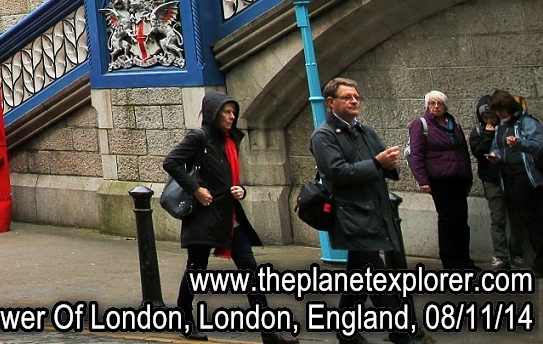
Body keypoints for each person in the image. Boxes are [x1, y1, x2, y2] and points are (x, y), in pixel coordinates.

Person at [166, 92, 295, 343]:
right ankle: (184, 317)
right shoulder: (199, 137)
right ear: (214, 113)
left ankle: (268, 332)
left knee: (251, 271)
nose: (231, 116)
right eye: (226, 112)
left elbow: (230, 177)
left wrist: (241, 189)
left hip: (230, 216)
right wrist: (196, 189)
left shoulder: (231, 141)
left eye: (233, 112)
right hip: (204, 216)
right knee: (196, 269)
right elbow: (171, 162)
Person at [310, 77, 416, 344]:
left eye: (356, 96)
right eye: (347, 97)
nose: (354, 101)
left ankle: (346, 331)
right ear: (331, 103)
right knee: (377, 276)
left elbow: (382, 162)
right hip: (350, 216)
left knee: (358, 278)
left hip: (376, 212)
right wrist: (377, 164)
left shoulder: (365, 130)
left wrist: (390, 163)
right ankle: (400, 333)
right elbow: (338, 173)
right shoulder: (323, 136)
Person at [484, 90, 543, 277]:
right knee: (521, 220)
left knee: (535, 221)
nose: (498, 114)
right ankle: (529, 258)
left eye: (501, 110)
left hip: (528, 179)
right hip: (509, 178)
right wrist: (495, 156)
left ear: (508, 107)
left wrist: (520, 144)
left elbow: (539, 147)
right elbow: (496, 146)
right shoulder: (501, 127)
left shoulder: (528, 123)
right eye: (496, 111)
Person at [407, 90, 475, 271]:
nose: (436, 107)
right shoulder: (420, 125)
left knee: (461, 220)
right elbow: (416, 154)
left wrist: (468, 176)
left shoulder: (453, 124)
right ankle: (450, 262)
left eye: (439, 104)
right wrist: (422, 180)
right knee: (447, 220)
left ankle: (464, 260)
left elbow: (462, 151)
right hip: (439, 179)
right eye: (432, 104)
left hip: (458, 178)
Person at [469, 95, 529, 269]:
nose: (490, 120)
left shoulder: (507, 128)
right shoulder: (478, 132)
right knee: (498, 219)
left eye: (492, 117)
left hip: (510, 178)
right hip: (492, 180)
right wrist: (488, 134)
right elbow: (478, 151)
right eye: (485, 118)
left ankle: (516, 253)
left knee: (516, 217)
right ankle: (501, 255)